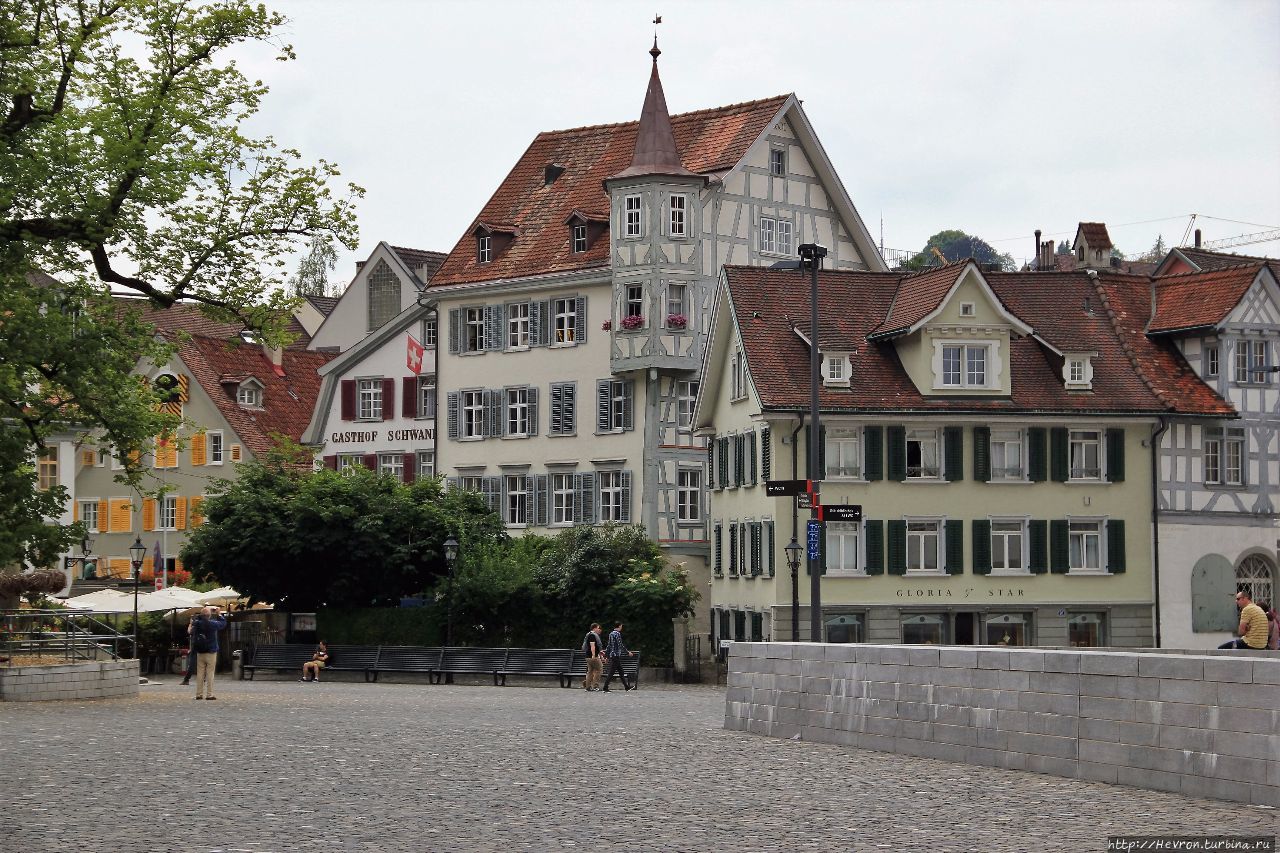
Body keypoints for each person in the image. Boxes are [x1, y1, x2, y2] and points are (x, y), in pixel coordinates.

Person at [191, 606, 227, 699]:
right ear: (209, 616)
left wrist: (201, 614)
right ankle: (209, 694)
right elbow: (223, 624)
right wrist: (219, 614)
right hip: (211, 651)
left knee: (200, 673)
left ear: (201, 615)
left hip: (200, 651)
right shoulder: (212, 624)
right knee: (210, 673)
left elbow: (192, 628)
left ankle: (199, 694)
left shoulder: (197, 624)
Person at [601, 621, 634, 692]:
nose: (621, 628)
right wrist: (627, 652)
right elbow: (620, 645)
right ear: (619, 626)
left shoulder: (611, 634)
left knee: (621, 671)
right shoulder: (617, 634)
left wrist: (606, 656)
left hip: (612, 655)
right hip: (616, 655)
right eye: (621, 626)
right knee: (612, 672)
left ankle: (626, 687)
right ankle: (605, 687)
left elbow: (609, 646)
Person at [581, 623, 605, 691]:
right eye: (598, 628)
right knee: (599, 669)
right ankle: (595, 686)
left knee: (590, 671)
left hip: (588, 656)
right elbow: (592, 646)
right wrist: (594, 656)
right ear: (594, 628)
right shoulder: (592, 635)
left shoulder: (589, 635)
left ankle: (588, 687)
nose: (599, 629)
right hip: (592, 656)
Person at [179, 614, 197, 686]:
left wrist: (190, 624)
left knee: (191, 664)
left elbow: (189, 631)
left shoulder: (194, 627)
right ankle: (204, 678)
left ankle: (186, 680)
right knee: (202, 664)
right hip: (202, 647)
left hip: (195, 647)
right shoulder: (201, 626)